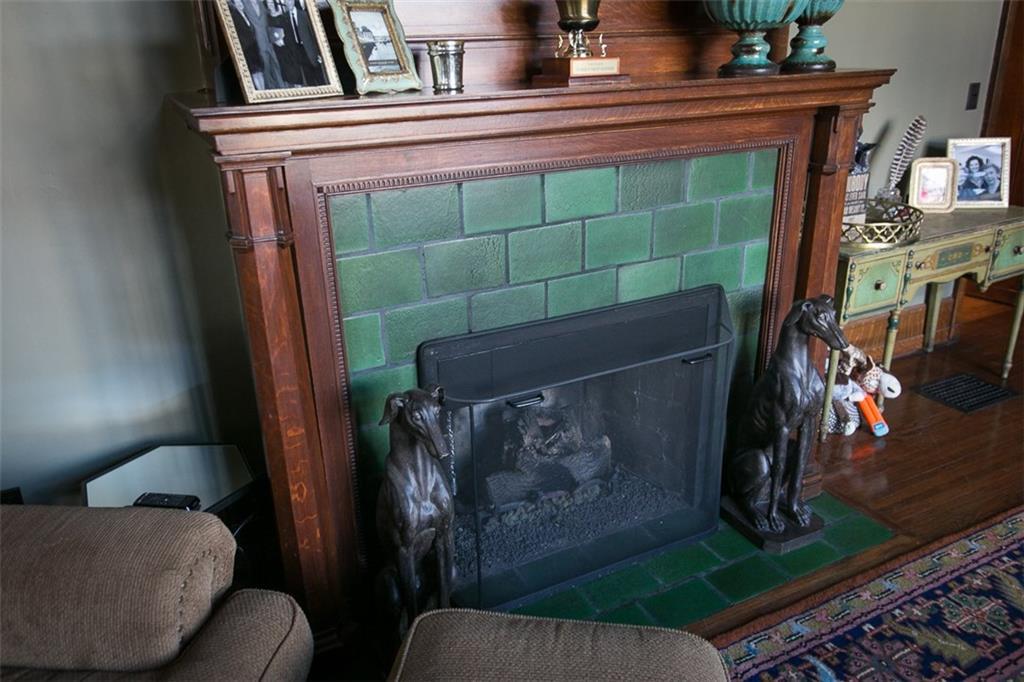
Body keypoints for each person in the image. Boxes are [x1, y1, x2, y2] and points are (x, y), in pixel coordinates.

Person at [271, 0, 326, 87]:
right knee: (308, 77)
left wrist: (319, 52)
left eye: (290, 1)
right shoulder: (285, 17)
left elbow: (313, 34)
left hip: (310, 50)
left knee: (319, 76)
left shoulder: (304, 15)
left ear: (293, 2)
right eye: (286, 2)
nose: (288, 3)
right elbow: (286, 35)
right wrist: (280, 40)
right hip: (298, 51)